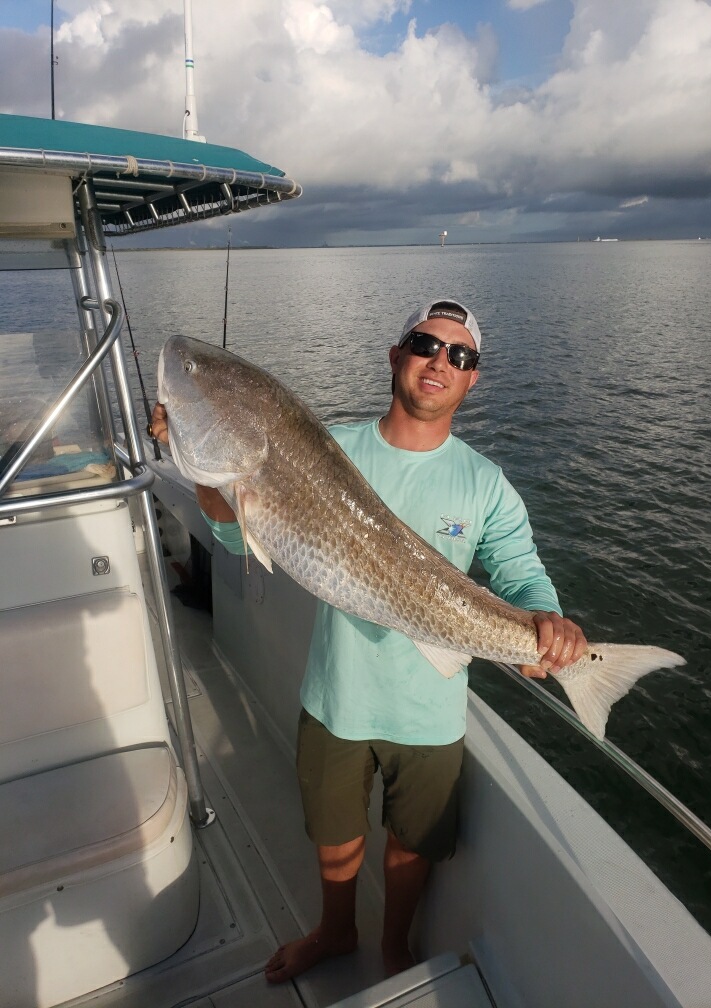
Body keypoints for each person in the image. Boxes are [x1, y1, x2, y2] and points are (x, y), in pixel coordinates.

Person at [150, 298, 587, 984]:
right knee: (335, 831)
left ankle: (393, 947)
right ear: (395, 356)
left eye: (460, 355)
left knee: (411, 844)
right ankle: (334, 931)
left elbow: (521, 574)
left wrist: (549, 626)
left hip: (430, 709)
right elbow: (239, 534)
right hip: (337, 694)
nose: (440, 361)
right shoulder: (329, 448)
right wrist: (207, 478)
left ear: (474, 379)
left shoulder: (486, 485)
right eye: (425, 344)